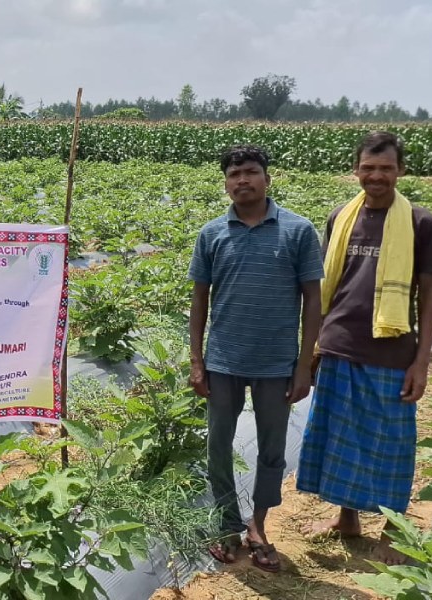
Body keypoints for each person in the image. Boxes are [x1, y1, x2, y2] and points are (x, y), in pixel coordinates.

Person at [297, 131, 432, 565]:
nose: (376, 176)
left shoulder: (420, 223)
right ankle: (347, 519)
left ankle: (393, 531)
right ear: (356, 170)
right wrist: (312, 348)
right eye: (368, 167)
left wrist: (422, 361)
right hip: (340, 344)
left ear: (400, 170)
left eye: (385, 168)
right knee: (340, 437)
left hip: (392, 348)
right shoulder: (340, 217)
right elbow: (326, 285)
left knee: (389, 443)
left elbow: (429, 294)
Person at [189, 144, 323, 572]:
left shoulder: (298, 230)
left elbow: (313, 302)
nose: (242, 180)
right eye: (234, 175)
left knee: (272, 450)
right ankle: (228, 523)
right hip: (223, 360)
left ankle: (259, 525)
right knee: (218, 447)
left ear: (267, 178)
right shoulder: (212, 233)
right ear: (226, 183)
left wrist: (305, 365)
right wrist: (196, 360)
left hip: (277, 362)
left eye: (250, 172)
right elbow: (199, 301)